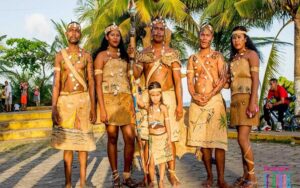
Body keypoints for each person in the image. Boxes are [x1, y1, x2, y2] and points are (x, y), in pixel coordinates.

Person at [132, 17, 183, 186]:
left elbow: (177, 82)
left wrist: (180, 105)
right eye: (156, 29)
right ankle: (148, 176)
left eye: (162, 29)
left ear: (165, 32)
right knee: (147, 139)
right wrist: (134, 58)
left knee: (170, 137)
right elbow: (136, 75)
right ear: (151, 32)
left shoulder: (172, 54)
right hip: (148, 99)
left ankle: (172, 173)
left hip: (168, 98)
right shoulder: (144, 53)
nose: (159, 32)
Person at [50, 21, 96, 188]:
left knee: (83, 144)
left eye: (77, 31)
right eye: (71, 30)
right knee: (67, 144)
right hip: (65, 103)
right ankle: (68, 183)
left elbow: (91, 82)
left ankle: (83, 182)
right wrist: (53, 107)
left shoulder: (87, 55)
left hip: (83, 101)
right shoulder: (60, 56)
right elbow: (56, 84)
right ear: (66, 34)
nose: (74, 33)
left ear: (80, 34)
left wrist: (94, 107)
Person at [93, 23, 137, 188]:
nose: (115, 38)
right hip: (109, 101)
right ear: (106, 37)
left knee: (130, 138)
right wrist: (101, 109)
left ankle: (127, 175)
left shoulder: (125, 56)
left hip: (125, 101)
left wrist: (133, 59)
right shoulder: (101, 57)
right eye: (112, 35)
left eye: (118, 35)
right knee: (112, 137)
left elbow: (134, 75)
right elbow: (98, 85)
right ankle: (115, 176)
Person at [186, 24, 228, 188]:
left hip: (214, 101)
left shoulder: (218, 56)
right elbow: (190, 81)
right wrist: (194, 96)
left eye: (207, 35)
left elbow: (223, 78)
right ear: (199, 37)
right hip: (197, 103)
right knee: (203, 143)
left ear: (212, 37)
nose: (204, 38)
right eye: (202, 35)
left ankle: (222, 179)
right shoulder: (192, 58)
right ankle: (210, 176)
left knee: (218, 142)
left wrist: (209, 95)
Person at [226, 26, 260, 188]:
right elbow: (228, 83)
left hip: (247, 99)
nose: (236, 40)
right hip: (234, 101)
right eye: (234, 38)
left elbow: (255, 80)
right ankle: (245, 175)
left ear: (245, 39)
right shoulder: (233, 59)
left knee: (242, 139)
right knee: (241, 141)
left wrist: (253, 102)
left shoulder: (251, 55)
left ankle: (252, 178)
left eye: (239, 37)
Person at [138, 81, 173, 188]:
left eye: (157, 95)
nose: (155, 98)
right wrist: (137, 88)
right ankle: (152, 181)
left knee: (162, 161)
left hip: (162, 137)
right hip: (152, 139)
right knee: (151, 161)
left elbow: (167, 123)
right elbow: (139, 102)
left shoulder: (163, 108)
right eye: (152, 95)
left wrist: (169, 139)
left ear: (161, 94)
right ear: (149, 95)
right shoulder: (149, 107)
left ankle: (161, 180)